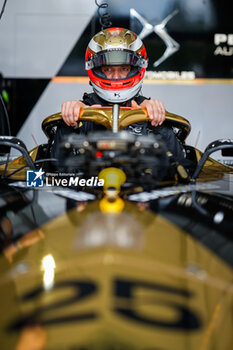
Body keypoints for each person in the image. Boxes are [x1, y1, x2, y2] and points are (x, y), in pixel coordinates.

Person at [53, 27, 186, 164]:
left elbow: (182, 166)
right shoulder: (79, 112)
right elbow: (55, 169)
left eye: (124, 69)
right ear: (95, 69)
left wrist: (157, 123)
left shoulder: (151, 110)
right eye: (108, 69)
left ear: (137, 68)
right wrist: (70, 121)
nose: (116, 76)